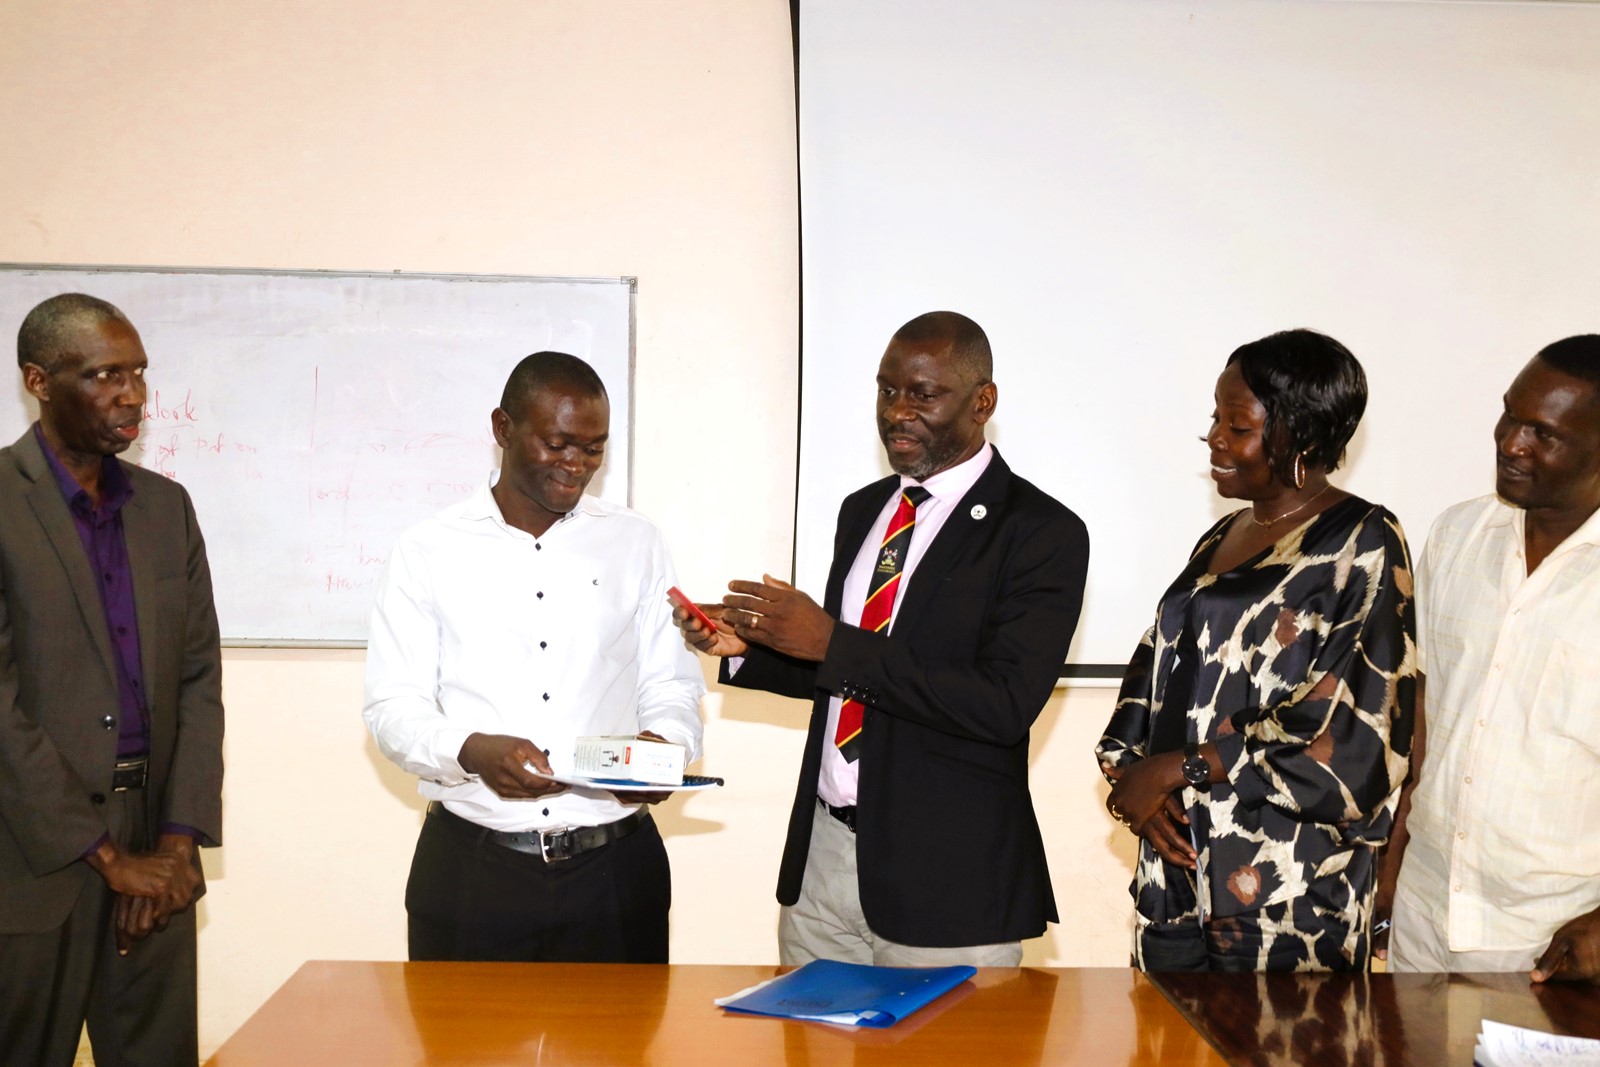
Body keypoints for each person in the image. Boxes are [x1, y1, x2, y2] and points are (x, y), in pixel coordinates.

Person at [673, 311, 1089, 967]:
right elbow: (855, 681)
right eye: (886, 389)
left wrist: (830, 641)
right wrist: (748, 650)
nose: (897, 411)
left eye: (923, 393)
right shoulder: (865, 510)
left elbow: (1001, 703)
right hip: (823, 865)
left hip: (947, 883)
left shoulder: (1041, 532)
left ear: (983, 403)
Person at [364, 350, 704, 964]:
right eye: (557, 443)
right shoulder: (426, 550)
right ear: (503, 429)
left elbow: (674, 684)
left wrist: (666, 746)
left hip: (617, 874)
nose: (576, 466)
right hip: (473, 871)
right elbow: (393, 708)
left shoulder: (636, 542)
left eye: (593, 449)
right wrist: (470, 749)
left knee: (624, 1055)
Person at [1096, 328, 1416, 972]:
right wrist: (1140, 787)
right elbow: (1160, 673)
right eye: (1216, 417)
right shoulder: (1223, 533)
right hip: (1179, 880)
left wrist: (1176, 769)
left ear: (1299, 434)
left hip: (1291, 893)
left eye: (1235, 423)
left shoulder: (1363, 540)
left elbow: (1357, 735)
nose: (1213, 437)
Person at [0, 293, 224, 1065]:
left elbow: (199, 682)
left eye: (138, 373)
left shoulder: (167, 508)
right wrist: (105, 856)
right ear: (39, 379)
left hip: (155, 851)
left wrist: (174, 844)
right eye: (104, 374)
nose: (131, 394)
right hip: (33, 856)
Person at [1386, 335, 1600, 982]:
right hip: (1425, 911)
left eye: (1545, 433)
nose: (1511, 442)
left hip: (1556, 938)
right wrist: (1391, 864)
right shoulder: (1456, 535)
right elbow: (1423, 712)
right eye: (1510, 415)